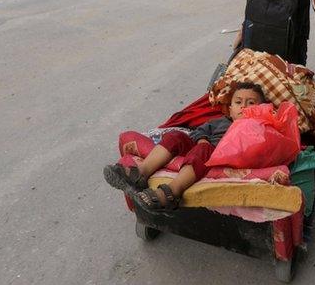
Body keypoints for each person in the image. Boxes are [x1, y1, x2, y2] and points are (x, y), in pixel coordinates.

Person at [103, 82, 266, 210]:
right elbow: (199, 131)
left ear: (262, 109)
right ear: (230, 110)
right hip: (199, 149)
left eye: (251, 103)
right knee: (177, 136)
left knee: (204, 149)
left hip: (217, 157)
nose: (243, 106)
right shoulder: (220, 122)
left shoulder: (258, 127)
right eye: (238, 102)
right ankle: (141, 172)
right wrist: (201, 138)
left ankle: (172, 191)